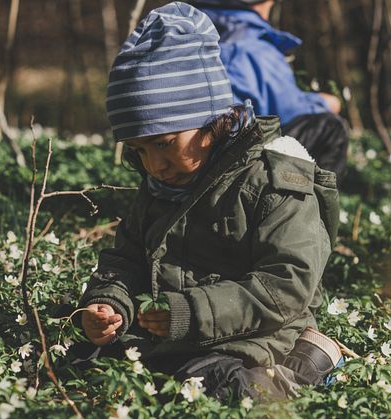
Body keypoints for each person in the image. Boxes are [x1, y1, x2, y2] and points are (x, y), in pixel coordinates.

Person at [75, 1, 342, 401]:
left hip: (250, 333)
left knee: (213, 388)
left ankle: (304, 366)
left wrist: (190, 313)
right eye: (139, 151)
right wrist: (108, 304)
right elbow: (127, 258)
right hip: (166, 333)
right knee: (85, 366)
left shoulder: (273, 180)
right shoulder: (161, 184)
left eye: (164, 144)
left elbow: (288, 283)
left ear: (212, 119)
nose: (154, 166)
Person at [188, 0, 349, 181]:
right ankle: (311, 207)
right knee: (330, 128)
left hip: (187, 161)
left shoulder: (189, 36)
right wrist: (325, 102)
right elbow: (288, 110)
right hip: (228, 171)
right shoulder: (250, 46)